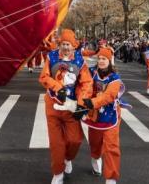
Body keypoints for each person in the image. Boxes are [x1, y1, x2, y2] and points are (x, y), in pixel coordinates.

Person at [38, 29, 92, 184]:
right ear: (60, 44)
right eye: (63, 44)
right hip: (53, 105)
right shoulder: (52, 56)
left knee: (75, 140)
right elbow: (44, 77)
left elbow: (86, 83)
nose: (66, 47)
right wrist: (57, 87)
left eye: (68, 44)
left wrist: (82, 103)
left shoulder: (80, 61)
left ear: (73, 45)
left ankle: (68, 159)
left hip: (71, 106)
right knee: (56, 143)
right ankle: (58, 173)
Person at [82, 48, 122, 184]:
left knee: (112, 147)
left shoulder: (115, 78)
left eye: (104, 59)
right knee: (95, 142)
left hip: (111, 115)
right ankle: (95, 156)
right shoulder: (91, 72)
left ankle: (111, 178)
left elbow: (109, 96)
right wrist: (82, 103)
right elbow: (84, 86)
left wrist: (93, 102)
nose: (101, 61)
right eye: (99, 58)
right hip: (94, 115)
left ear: (109, 61)